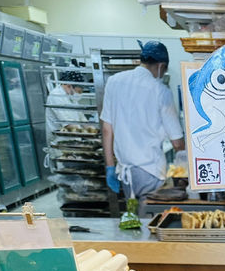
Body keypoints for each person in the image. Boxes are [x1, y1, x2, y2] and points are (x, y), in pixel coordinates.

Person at [101, 40, 184, 202]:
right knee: (151, 219)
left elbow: (106, 129)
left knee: (134, 218)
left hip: (125, 171)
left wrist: (110, 167)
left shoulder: (114, 82)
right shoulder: (160, 91)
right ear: (161, 66)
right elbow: (177, 143)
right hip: (150, 171)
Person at [45, 70, 85, 137]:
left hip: (74, 139)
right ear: (69, 86)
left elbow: (82, 119)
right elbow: (68, 125)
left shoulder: (71, 97)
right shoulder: (56, 96)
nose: (79, 94)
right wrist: (88, 135)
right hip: (59, 142)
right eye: (79, 91)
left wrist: (94, 133)